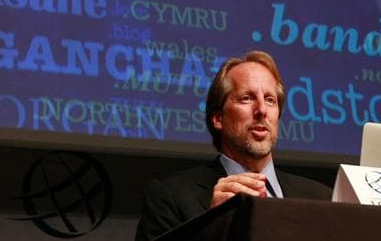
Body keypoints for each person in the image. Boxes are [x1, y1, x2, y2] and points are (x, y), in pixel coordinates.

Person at [135, 50, 331, 240]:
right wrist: (213, 227)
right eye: (247, 98)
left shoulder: (322, 198)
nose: (262, 110)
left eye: (270, 100)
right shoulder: (170, 196)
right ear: (219, 118)